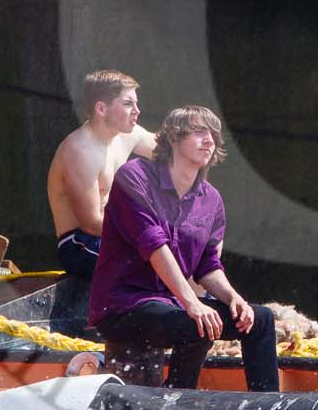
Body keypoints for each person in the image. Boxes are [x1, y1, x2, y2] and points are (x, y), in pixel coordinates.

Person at [88, 105, 279, 392]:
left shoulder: (211, 199)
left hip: (172, 305)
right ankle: (177, 399)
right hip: (122, 307)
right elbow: (154, 246)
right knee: (197, 326)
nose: (209, 140)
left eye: (213, 134)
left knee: (260, 320)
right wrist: (192, 303)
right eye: (199, 132)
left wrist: (234, 299)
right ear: (174, 139)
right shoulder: (134, 176)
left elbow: (208, 266)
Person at [47, 70, 157, 280]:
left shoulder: (128, 134)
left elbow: (169, 152)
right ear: (101, 108)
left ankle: (202, 306)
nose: (137, 111)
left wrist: (195, 134)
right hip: (80, 244)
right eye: (127, 104)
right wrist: (144, 233)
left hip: (114, 234)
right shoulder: (80, 150)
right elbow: (91, 223)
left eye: (136, 103)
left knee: (183, 252)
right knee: (161, 264)